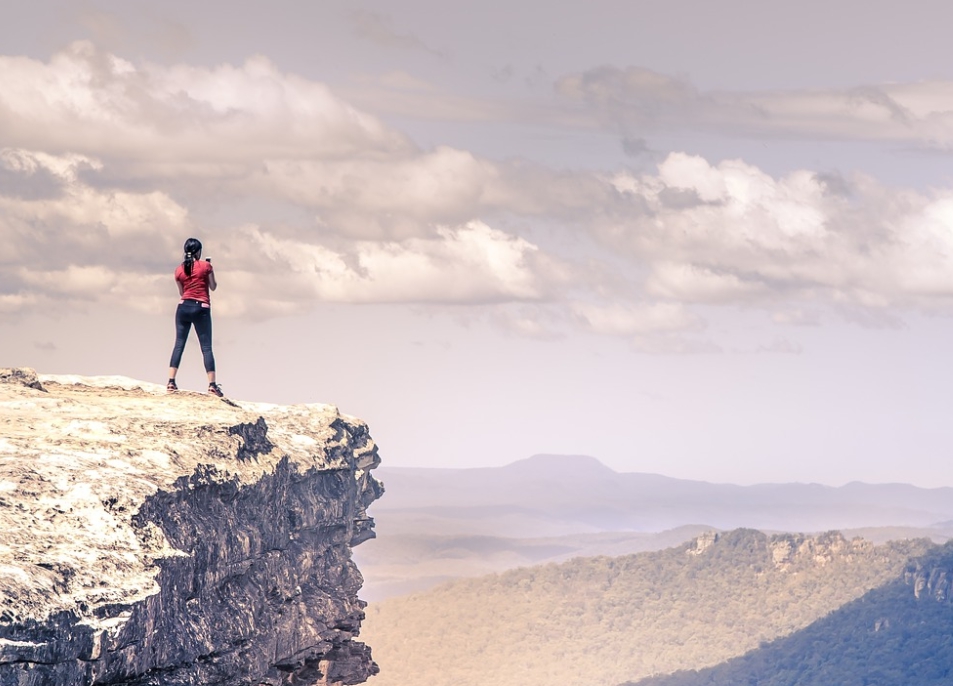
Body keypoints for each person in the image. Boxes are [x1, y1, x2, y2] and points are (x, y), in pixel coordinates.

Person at [167, 238, 223, 397]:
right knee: (206, 347)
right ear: (199, 251)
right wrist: (209, 270)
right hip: (201, 308)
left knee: (179, 344)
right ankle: (212, 385)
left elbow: (181, 292)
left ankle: (171, 382)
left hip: (183, 307)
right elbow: (213, 287)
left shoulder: (178, 270)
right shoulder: (206, 266)